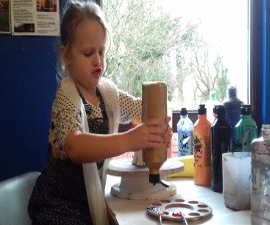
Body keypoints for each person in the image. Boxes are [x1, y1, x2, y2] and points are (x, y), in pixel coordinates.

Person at [28, 0, 172, 225]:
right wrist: (129, 140)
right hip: (56, 208)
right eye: (88, 53)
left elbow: (141, 109)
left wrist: (159, 125)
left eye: (101, 52)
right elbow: (74, 146)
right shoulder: (66, 95)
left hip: (88, 205)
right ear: (66, 56)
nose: (98, 60)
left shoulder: (108, 94)